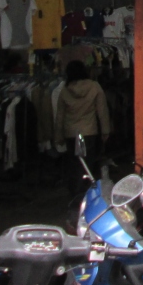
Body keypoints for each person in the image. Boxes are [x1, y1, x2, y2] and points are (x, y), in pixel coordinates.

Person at [55, 60, 111, 192]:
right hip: (89, 132)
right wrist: (105, 131)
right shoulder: (94, 87)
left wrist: (58, 136)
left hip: (71, 134)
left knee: (74, 164)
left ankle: (75, 192)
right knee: (88, 164)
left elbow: (60, 116)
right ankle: (87, 192)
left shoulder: (64, 91)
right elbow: (102, 111)